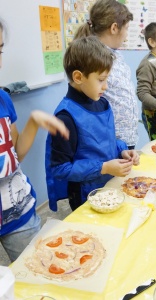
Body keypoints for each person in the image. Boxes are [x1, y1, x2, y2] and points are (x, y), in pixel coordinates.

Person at [0, 18, 69, 262]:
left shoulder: (3, 99)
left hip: (19, 212)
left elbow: (14, 155)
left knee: (38, 268)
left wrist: (34, 122)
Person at [45, 36, 139, 212]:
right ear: (78, 77)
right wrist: (103, 167)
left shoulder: (102, 103)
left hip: (109, 184)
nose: (106, 87)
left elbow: (107, 140)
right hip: (84, 194)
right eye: (101, 80)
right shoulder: (65, 118)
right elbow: (60, 169)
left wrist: (122, 150)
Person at [73, 0, 138, 149]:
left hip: (126, 138)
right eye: (126, 28)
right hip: (108, 141)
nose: (127, 35)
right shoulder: (93, 56)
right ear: (114, 28)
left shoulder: (116, 54)